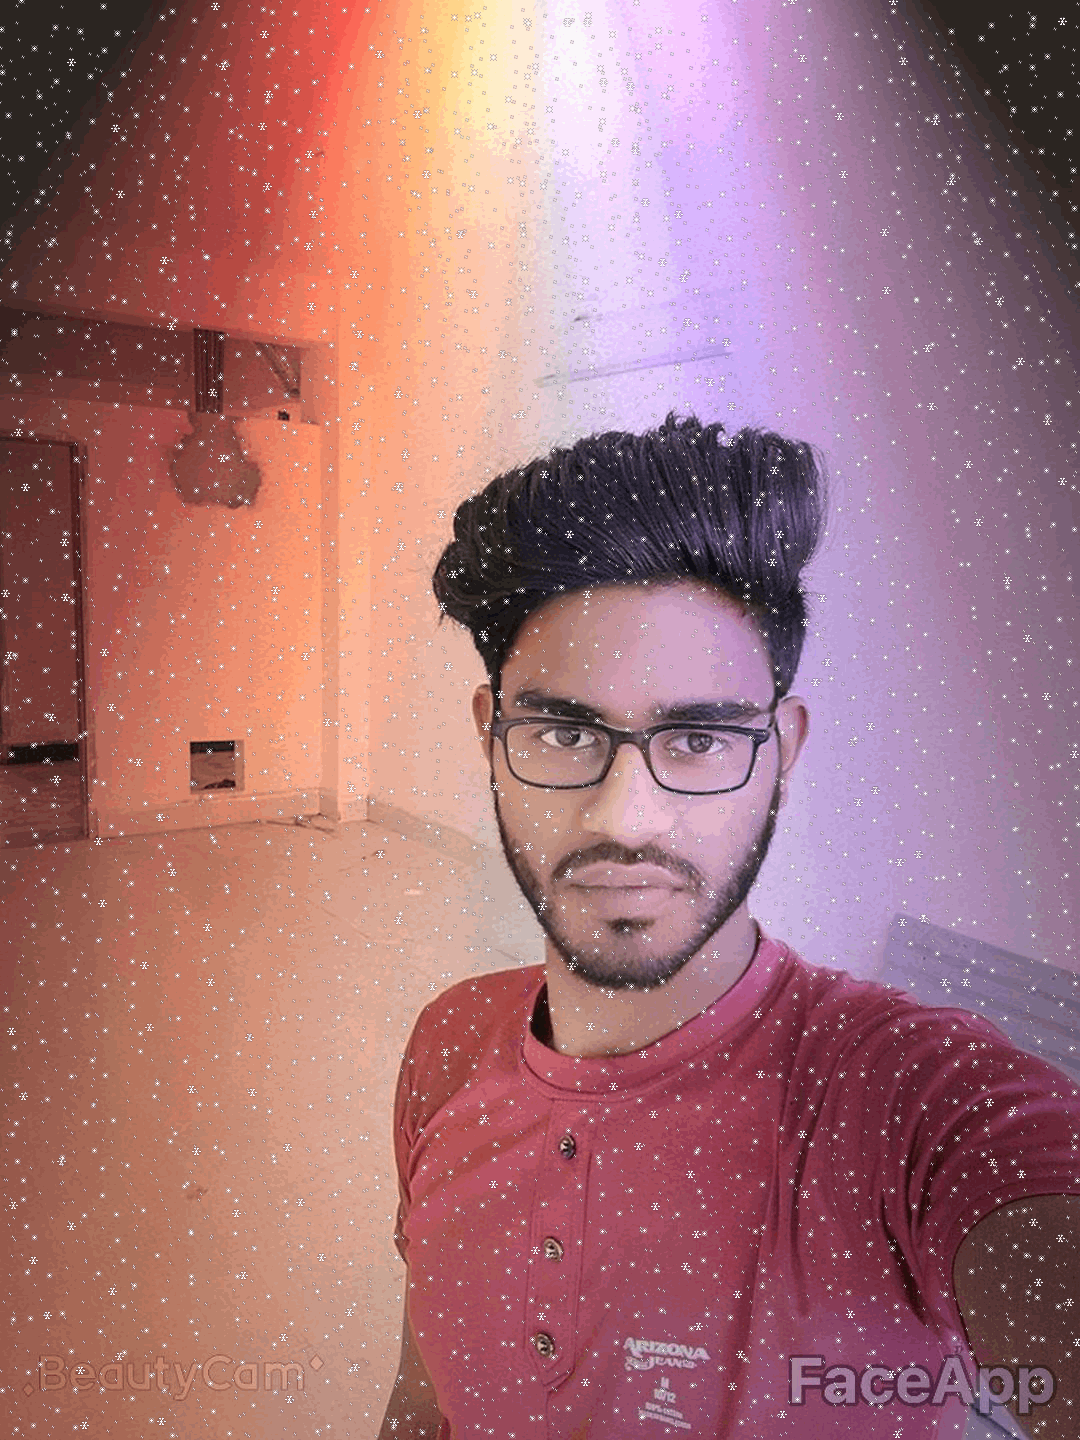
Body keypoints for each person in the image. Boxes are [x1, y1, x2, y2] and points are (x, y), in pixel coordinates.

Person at [378, 414, 1080, 1439]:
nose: (625, 817)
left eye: (699, 738)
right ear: (492, 737)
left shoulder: (910, 1105)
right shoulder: (447, 1045)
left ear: (781, 751)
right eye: (565, 731)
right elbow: (419, 1402)